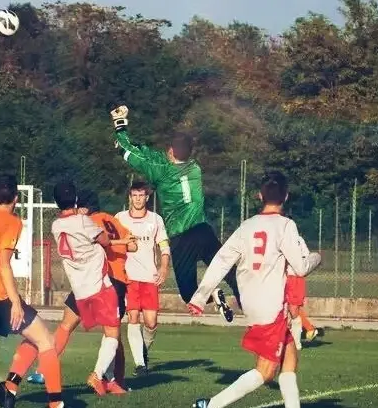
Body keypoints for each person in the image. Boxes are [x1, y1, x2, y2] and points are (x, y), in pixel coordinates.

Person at [186, 171, 322, 408]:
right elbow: (300, 267)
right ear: (286, 196)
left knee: (289, 357)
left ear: (260, 195)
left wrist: (199, 297)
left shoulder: (246, 226)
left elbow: (221, 260)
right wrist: (316, 258)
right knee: (265, 371)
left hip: (251, 303)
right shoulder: (286, 225)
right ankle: (211, 405)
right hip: (271, 306)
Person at [109, 105, 239, 321]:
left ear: (170, 151)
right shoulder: (195, 168)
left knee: (189, 294)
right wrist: (138, 145)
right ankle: (250, 303)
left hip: (181, 238)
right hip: (203, 230)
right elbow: (155, 156)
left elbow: (132, 155)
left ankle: (212, 295)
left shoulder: (162, 172)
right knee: (228, 270)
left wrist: (120, 127)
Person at [21, 188, 136, 395]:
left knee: (65, 326)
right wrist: (124, 243)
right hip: (110, 281)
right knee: (113, 335)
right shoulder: (104, 221)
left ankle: (44, 370)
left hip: (83, 285)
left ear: (84, 206)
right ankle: (113, 381)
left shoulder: (63, 224)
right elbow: (129, 245)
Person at [0, 175, 64, 408]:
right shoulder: (11, 221)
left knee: (33, 337)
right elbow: (3, 264)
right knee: (48, 342)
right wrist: (15, 303)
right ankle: (56, 403)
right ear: (16, 199)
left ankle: (8, 388)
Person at [115, 181, 170, 375]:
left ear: (147, 197)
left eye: (141, 195)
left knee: (151, 322)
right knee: (132, 316)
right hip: (129, 278)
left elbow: (164, 246)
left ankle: (143, 352)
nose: (137, 199)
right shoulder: (119, 218)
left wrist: (163, 268)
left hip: (149, 277)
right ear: (129, 197)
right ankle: (140, 364)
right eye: (134, 195)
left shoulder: (155, 220)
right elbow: (111, 243)